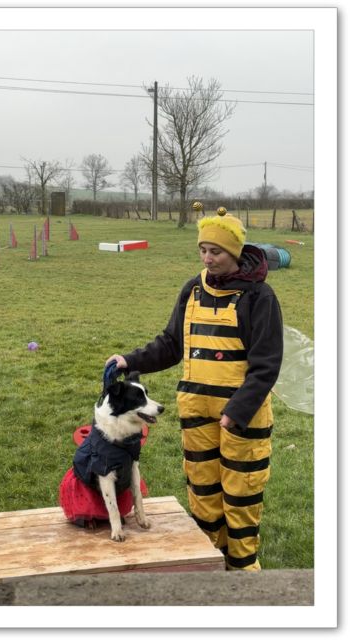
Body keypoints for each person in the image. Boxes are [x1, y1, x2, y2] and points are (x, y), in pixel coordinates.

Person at [106, 207, 283, 571]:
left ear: (234, 252)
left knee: (241, 493)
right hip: (197, 412)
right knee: (203, 491)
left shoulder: (259, 297)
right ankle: (210, 564)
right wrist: (129, 359)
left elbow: (266, 365)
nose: (207, 258)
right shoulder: (193, 289)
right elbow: (171, 344)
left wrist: (237, 411)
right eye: (202, 250)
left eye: (215, 251)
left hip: (242, 418)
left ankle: (243, 571)